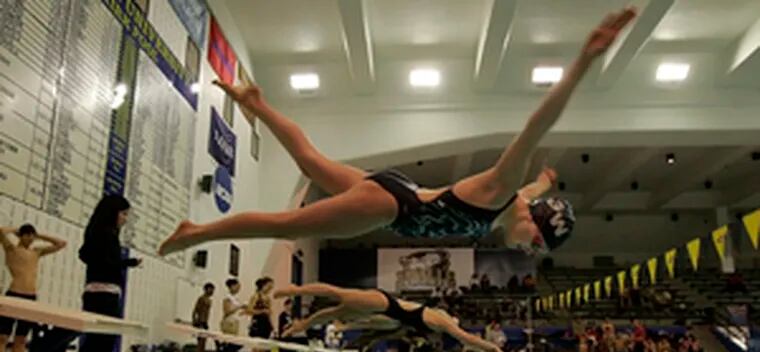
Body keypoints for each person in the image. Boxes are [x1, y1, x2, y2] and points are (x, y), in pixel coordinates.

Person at [158, 8, 636, 257]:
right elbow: (537, 126)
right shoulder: (501, 189)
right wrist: (583, 62)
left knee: (310, 161)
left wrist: (548, 181)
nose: (526, 249)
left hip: (396, 190)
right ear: (532, 221)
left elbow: (537, 187)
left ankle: (258, 104)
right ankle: (198, 232)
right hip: (390, 206)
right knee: (287, 225)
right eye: (535, 243)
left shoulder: (518, 200)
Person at [275, 283, 509, 352]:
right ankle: (296, 291)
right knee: (337, 295)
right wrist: (493, 348)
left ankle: (302, 324)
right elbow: (467, 337)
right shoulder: (441, 321)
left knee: (336, 309)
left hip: (384, 309)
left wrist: (490, 350)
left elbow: (468, 339)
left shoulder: (436, 318)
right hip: (383, 302)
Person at [75, 196, 141, 352]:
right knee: (104, 340)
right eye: (123, 214)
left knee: (95, 339)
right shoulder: (107, 234)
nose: (125, 219)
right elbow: (108, 262)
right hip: (105, 292)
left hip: (93, 290)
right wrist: (129, 263)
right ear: (113, 213)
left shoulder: (94, 231)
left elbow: (84, 254)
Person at [0, 223, 66, 352]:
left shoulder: (36, 252)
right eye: (28, 235)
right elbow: (2, 231)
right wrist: (17, 230)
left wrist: (39, 235)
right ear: (21, 236)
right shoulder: (11, 249)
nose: (31, 239)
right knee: (2, 336)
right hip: (14, 294)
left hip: (30, 297)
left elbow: (61, 244)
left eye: (32, 236)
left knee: (21, 338)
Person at [247, 277, 274, 352]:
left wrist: (272, 326)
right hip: (258, 323)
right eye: (269, 286)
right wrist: (262, 311)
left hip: (266, 324)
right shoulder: (255, 296)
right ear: (263, 285)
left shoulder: (268, 299)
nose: (270, 289)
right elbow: (249, 310)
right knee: (256, 348)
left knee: (262, 348)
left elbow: (269, 314)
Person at [191, 282, 215, 352]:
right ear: (206, 289)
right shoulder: (201, 299)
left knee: (203, 342)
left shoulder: (209, 300)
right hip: (200, 322)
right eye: (211, 289)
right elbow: (195, 310)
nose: (212, 291)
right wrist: (194, 321)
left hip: (205, 322)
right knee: (200, 342)